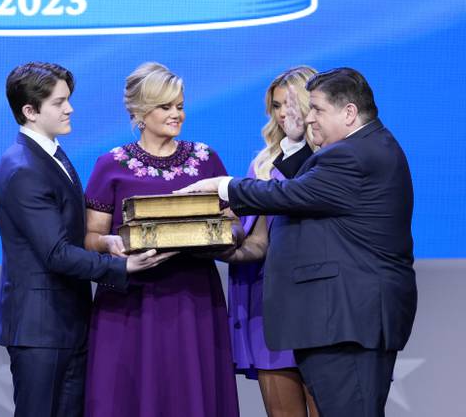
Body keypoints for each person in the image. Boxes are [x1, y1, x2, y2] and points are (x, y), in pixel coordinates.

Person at [178, 68, 417, 417]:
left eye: (317, 109)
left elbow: (293, 193)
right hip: (340, 320)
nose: (309, 117)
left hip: (345, 322)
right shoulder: (366, 147)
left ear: (349, 112)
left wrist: (222, 185)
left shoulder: (353, 154)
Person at [0, 62, 174, 417]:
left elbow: (67, 232)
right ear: (30, 111)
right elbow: (56, 253)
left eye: (68, 99)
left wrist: (105, 242)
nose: (69, 108)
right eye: (59, 102)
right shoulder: (22, 168)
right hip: (40, 329)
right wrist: (122, 266)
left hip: (67, 321)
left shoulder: (50, 155)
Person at [82, 62, 239, 417]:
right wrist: (111, 246)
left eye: (180, 105)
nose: (177, 114)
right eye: (166, 107)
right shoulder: (111, 164)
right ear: (140, 112)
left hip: (193, 296)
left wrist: (222, 235)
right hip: (132, 300)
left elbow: (234, 223)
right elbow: (89, 236)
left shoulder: (206, 159)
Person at [224, 66, 320, 417]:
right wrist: (216, 244)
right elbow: (257, 239)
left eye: (292, 105)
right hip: (269, 304)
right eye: (278, 106)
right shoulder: (263, 164)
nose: (284, 115)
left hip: (318, 307)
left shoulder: (336, 157)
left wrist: (297, 145)